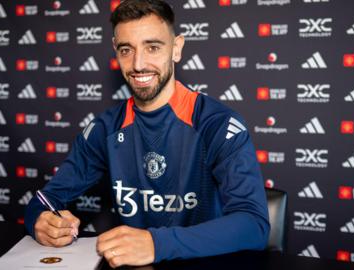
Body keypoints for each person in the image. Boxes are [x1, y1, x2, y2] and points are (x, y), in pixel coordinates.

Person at [25, 0, 270, 268]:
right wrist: (41, 220)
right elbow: (45, 200)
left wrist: (157, 243)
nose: (138, 64)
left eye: (152, 47)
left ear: (176, 49)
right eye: (126, 50)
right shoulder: (104, 128)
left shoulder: (217, 124)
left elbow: (253, 224)